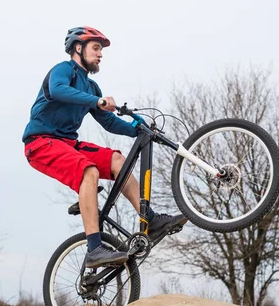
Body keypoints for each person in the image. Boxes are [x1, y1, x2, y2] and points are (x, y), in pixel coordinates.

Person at [22, 26, 186, 269]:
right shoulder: (63, 71)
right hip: (41, 143)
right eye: (96, 48)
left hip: (68, 143)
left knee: (118, 161)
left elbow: (108, 121)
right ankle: (94, 249)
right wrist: (96, 101)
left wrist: (138, 130)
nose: (100, 55)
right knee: (89, 171)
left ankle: (149, 219)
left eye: (101, 50)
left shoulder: (92, 87)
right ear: (78, 48)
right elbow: (58, 90)